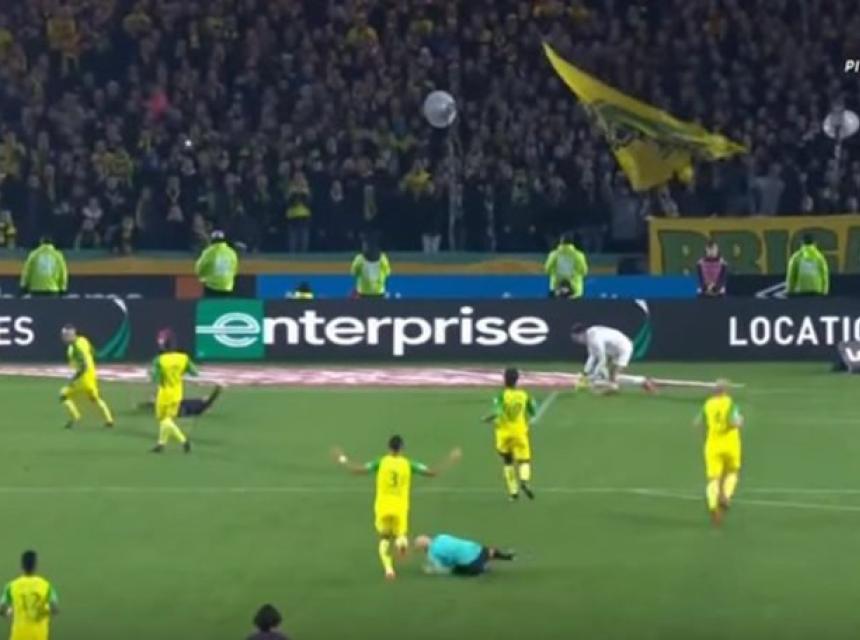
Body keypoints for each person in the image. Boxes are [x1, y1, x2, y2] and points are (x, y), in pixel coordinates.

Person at [333, 435, 461, 580]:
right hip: (400, 508)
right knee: (400, 535)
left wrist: (341, 458)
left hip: (383, 507)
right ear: (402, 448)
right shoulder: (408, 464)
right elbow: (432, 472)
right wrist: (451, 459)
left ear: (388, 447)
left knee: (384, 538)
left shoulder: (380, 462)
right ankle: (401, 544)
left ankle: (389, 570)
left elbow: (357, 470)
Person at [481, 367, 537, 501]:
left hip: (503, 434)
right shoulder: (524, 395)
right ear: (517, 380)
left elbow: (497, 412)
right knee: (524, 461)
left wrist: (485, 418)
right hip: (519, 432)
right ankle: (524, 480)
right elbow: (533, 411)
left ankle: (513, 492)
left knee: (507, 461)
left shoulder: (501, 396)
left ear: (504, 379)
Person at [694, 379, 744, 526]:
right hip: (730, 445)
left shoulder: (707, 404)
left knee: (713, 479)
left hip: (712, 445)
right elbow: (734, 422)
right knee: (733, 472)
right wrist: (740, 421)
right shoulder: (730, 403)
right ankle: (726, 496)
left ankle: (712, 505)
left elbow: (697, 423)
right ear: (726, 391)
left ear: (714, 391)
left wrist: (706, 435)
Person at [150, 329, 199, 453]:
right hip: (177, 393)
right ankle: (161, 444)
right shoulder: (183, 358)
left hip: (164, 393)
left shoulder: (159, 360)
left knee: (164, 420)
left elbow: (155, 378)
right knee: (168, 420)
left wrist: (153, 374)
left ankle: (183, 440)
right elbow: (195, 372)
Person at [570, 323, 655, 393]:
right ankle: (641, 381)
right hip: (614, 350)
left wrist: (593, 375)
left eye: (576, 338)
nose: (576, 341)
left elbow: (602, 359)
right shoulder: (590, 336)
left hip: (623, 348)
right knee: (610, 377)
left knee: (613, 376)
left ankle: (643, 382)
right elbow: (592, 357)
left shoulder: (595, 339)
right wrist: (585, 374)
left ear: (582, 333)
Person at [59, 325, 115, 429]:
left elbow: (83, 365)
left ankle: (76, 416)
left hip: (82, 378)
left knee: (63, 395)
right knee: (95, 398)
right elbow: (92, 352)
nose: (63, 338)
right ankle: (109, 420)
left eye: (65, 335)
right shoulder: (83, 340)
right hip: (91, 376)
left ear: (71, 335)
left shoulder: (74, 348)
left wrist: (74, 378)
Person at [0, 551, 59, 640]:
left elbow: (1, 609)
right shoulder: (46, 586)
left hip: (19, 635)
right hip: (39, 635)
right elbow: (55, 609)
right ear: (36, 566)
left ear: (22, 566)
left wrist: (9, 612)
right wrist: (43, 611)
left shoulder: (11, 586)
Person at [414, 533, 515, 576]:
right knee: (487, 551)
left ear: (423, 548)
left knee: (456, 569)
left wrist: (430, 570)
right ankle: (505, 556)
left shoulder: (431, 555)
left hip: (472, 564)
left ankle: (483, 568)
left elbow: (443, 570)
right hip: (477, 549)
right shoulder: (441, 536)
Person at [194, 230, 238, 297]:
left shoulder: (208, 252)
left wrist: (202, 277)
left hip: (212, 287)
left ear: (212, 240)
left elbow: (199, 269)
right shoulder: (231, 252)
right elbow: (234, 269)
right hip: (228, 287)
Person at [544, 233, 588, 298]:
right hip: (576, 292)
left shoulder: (554, 255)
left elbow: (547, 270)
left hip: (556, 291)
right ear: (572, 243)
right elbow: (584, 271)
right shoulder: (579, 255)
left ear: (560, 242)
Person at [137, 385, 222, 418]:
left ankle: (149, 404)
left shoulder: (203, 405)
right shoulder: (200, 403)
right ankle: (149, 405)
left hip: (181, 409)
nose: (205, 396)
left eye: (206, 397)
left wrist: (218, 389)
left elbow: (212, 398)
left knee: (162, 404)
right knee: (162, 404)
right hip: (180, 406)